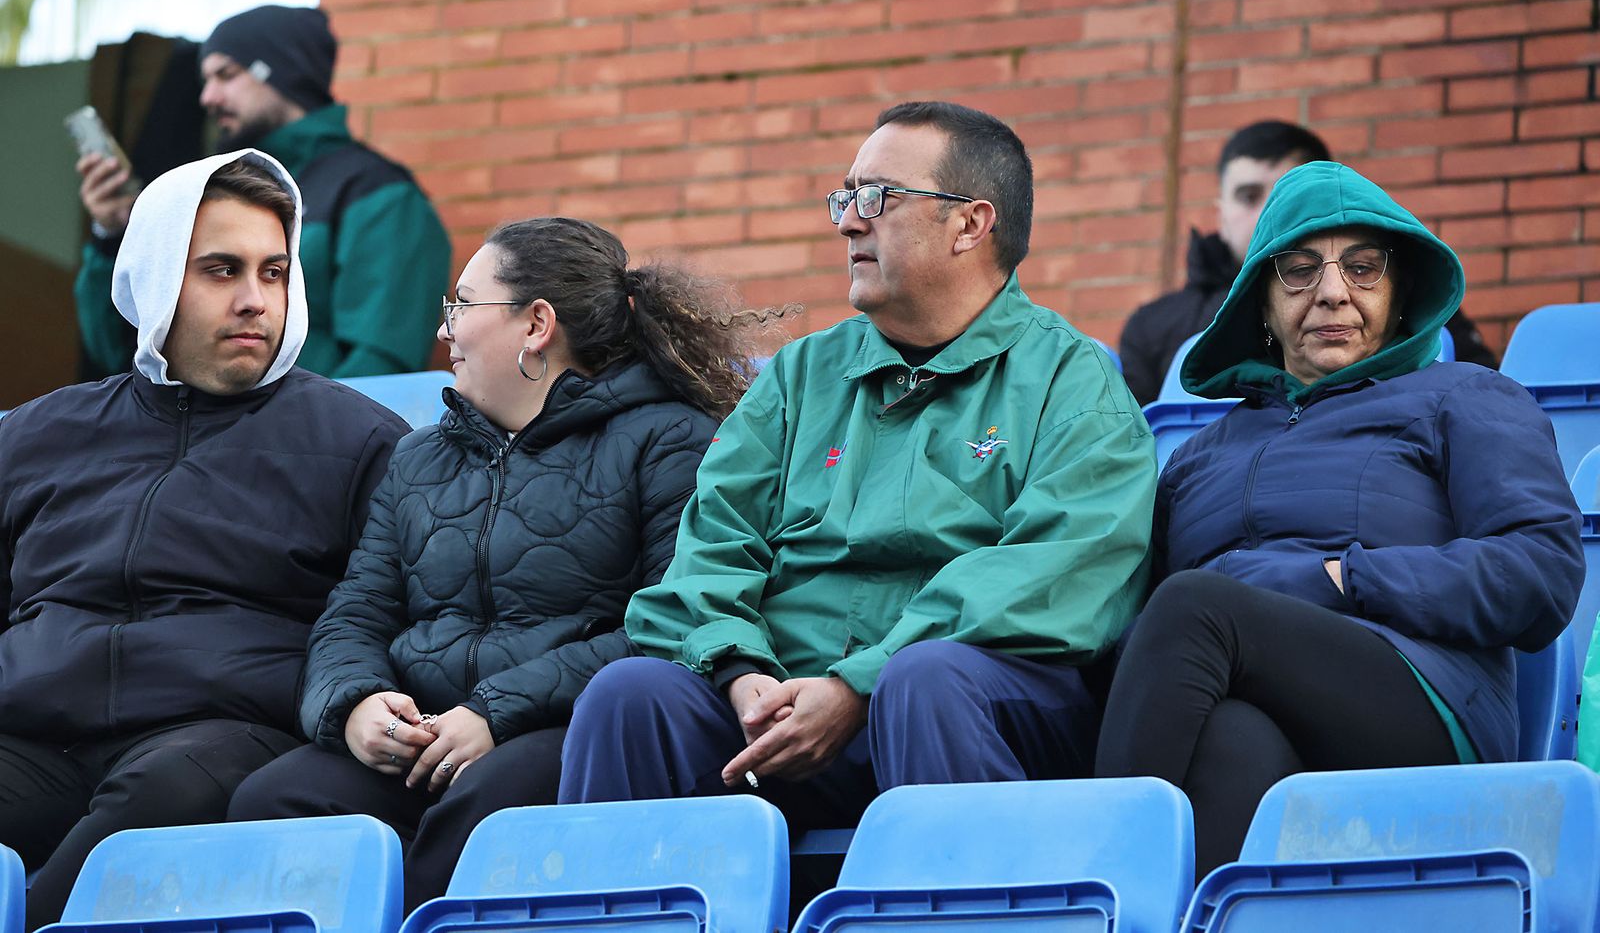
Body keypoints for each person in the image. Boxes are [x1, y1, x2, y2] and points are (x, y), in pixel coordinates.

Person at [559, 102, 1157, 826]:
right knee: (630, 696)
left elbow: (1051, 577)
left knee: (925, 680)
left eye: (875, 198)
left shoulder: (1073, 381)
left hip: (973, 704)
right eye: (844, 198)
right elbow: (710, 551)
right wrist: (743, 674)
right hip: (780, 709)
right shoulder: (799, 376)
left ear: (971, 223)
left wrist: (857, 685)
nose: (847, 222)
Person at [228, 217, 778, 910]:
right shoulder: (417, 458)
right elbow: (356, 611)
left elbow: (669, 623)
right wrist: (357, 703)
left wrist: (493, 711)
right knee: (272, 799)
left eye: (462, 304)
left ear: (536, 324)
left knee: (484, 808)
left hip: (560, 728)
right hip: (424, 738)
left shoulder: (668, 440)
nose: (444, 330)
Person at [1095, 161, 1584, 876]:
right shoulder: (1199, 455)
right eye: (1297, 270)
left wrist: (1340, 576)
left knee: (1196, 606)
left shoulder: (1465, 395)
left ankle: (1103, 886)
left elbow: (1540, 573)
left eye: (1363, 267)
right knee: (1231, 740)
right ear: (1259, 302)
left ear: (1398, 288)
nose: (1331, 292)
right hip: (1250, 694)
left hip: (1420, 701)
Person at [0, 152, 409, 929]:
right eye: (221, 270)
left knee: (157, 803)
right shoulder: (34, 433)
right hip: (33, 729)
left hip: (218, 732)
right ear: (157, 277)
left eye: (274, 272)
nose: (255, 300)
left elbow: (378, 621)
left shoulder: (360, 440)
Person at [75, 4, 450, 380]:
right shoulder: (208, 189)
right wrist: (112, 236)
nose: (207, 97)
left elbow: (377, 375)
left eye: (226, 74)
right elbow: (127, 351)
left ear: (283, 74)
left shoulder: (378, 194)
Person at [1119, 120, 1495, 405]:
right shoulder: (1152, 328)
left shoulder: (1420, 308)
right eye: (1248, 196)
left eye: (1361, 268)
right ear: (1220, 214)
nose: (1268, 211)